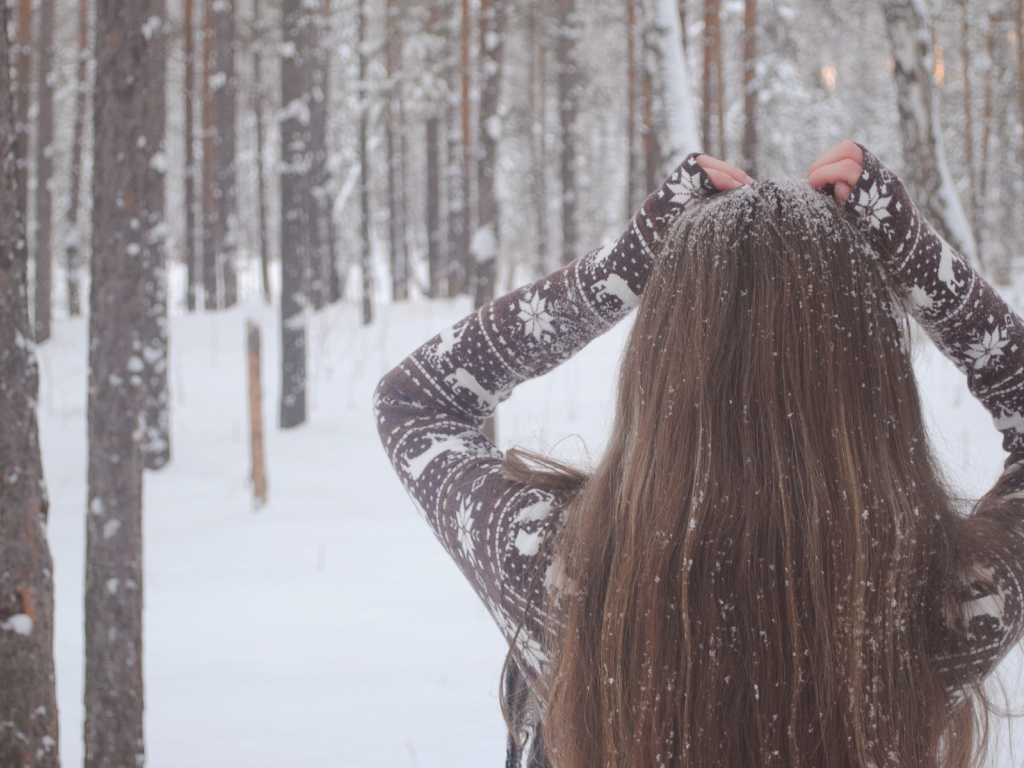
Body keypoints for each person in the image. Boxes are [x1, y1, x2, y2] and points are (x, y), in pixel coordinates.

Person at [373, 141, 1024, 768]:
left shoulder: (562, 574)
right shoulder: (934, 610)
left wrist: (617, 272)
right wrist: (917, 259)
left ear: (661, 365)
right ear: (873, 387)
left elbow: (415, 404)